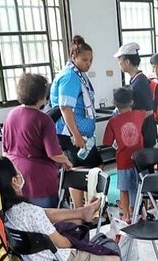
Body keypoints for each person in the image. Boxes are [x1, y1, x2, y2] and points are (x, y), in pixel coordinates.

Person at [0, 157, 154, 261]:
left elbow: (43, 218)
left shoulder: (6, 214)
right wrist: (76, 234)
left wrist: (77, 218)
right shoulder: (32, 212)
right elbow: (63, 243)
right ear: (14, 181)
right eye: (16, 170)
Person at [2, 73, 72, 208]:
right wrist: (66, 161)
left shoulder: (11, 114)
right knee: (46, 219)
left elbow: (5, 150)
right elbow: (54, 153)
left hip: (15, 176)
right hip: (38, 179)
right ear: (43, 96)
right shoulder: (43, 119)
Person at [50, 35, 100, 168]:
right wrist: (76, 136)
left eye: (90, 60)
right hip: (70, 134)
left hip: (82, 134)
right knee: (80, 172)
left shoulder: (79, 74)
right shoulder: (69, 76)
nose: (88, 63)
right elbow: (65, 108)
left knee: (95, 168)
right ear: (73, 57)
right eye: (84, 60)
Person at [103, 87, 145, 221]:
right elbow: (149, 112)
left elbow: (107, 142)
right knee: (138, 186)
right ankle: (137, 211)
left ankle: (126, 215)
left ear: (114, 103)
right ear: (132, 102)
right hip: (140, 160)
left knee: (124, 189)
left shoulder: (113, 121)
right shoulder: (139, 114)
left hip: (123, 161)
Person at [114, 42, 158, 149]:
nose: (118, 63)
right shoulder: (135, 80)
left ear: (127, 61)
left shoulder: (140, 82)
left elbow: (149, 110)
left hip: (145, 134)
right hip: (140, 133)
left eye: (119, 60)